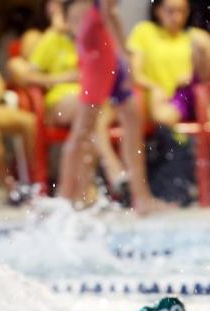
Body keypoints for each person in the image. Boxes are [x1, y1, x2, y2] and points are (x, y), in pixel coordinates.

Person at [10, 0, 128, 199]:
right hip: (63, 100)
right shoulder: (52, 38)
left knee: (91, 122)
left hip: (94, 99)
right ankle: (109, 169)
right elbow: (26, 74)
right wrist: (61, 78)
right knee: (90, 117)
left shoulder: (95, 34)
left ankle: (80, 190)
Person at [58, 0, 159, 212]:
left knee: (132, 122)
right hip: (99, 53)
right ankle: (64, 199)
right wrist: (126, 55)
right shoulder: (86, 10)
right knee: (82, 131)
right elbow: (108, 13)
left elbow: (108, 13)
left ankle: (142, 198)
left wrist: (121, 55)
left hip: (106, 49)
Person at [127, 0, 210, 127]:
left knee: (201, 43)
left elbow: (207, 73)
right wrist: (154, 87)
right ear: (158, 10)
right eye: (170, 11)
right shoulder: (144, 32)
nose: (177, 17)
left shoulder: (195, 36)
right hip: (160, 100)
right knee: (162, 115)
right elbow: (135, 74)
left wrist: (191, 75)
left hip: (187, 93)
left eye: (181, 11)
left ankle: (209, 114)